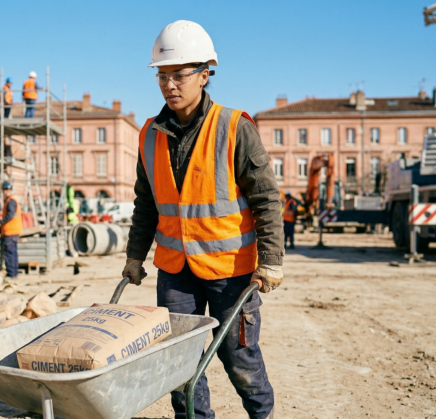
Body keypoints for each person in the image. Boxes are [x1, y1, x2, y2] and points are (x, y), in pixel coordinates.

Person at [122, 21, 284, 419]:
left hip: (231, 271)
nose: (169, 85)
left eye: (179, 75)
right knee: (181, 367)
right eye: (163, 76)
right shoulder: (149, 135)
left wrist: (272, 259)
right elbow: (146, 204)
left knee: (240, 361)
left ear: (204, 74)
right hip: (176, 272)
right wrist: (133, 257)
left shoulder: (234, 127)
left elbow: (266, 198)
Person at [0, 181, 23, 278]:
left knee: (10, 253)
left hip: (10, 231)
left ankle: (12, 273)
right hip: (13, 230)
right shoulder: (11, 199)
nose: (5, 192)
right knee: (13, 253)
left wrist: (0, 221)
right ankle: (14, 272)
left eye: (7, 190)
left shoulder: (11, 201)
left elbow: (10, 215)